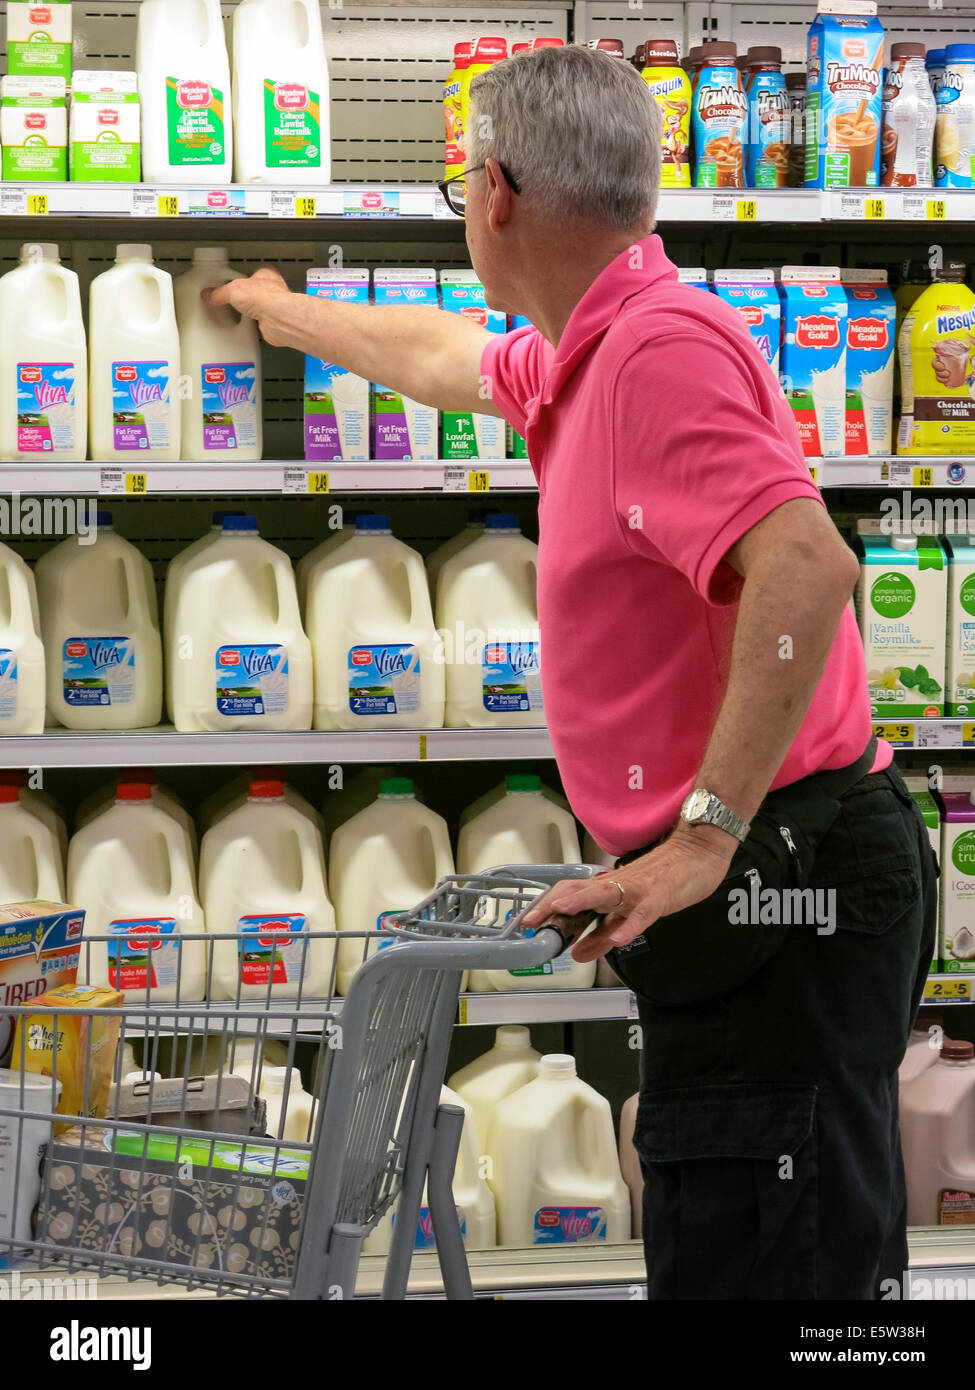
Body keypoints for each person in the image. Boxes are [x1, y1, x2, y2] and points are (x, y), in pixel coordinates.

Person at [207, 44, 936, 1300]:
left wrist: (704, 834)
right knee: (756, 1241)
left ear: (496, 193)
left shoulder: (655, 355)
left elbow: (808, 567)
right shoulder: (590, 356)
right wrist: (285, 312)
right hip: (764, 893)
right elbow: (440, 358)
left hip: (784, 883)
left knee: (782, 1264)